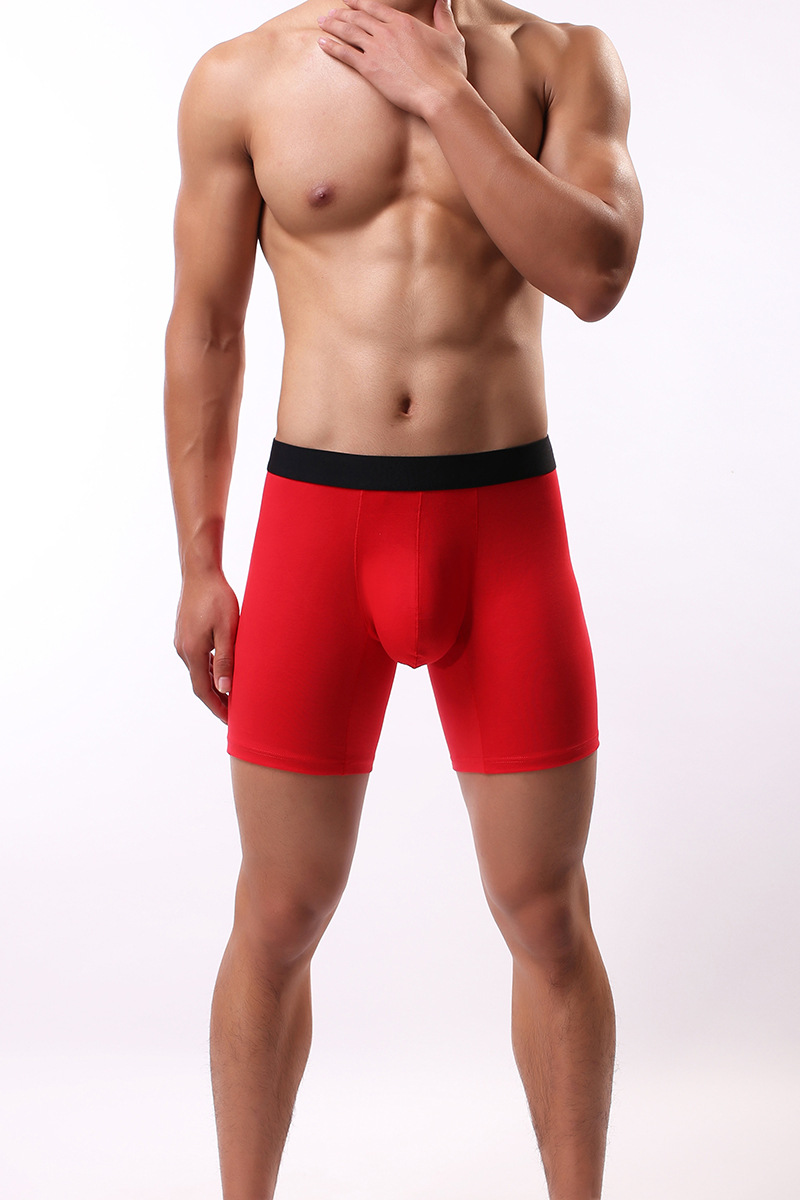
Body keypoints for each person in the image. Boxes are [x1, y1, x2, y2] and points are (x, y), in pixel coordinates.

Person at [164, 0, 643, 1194]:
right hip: (317, 532)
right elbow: (208, 329)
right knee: (279, 913)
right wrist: (200, 561)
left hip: (502, 527)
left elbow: (593, 274)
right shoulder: (241, 77)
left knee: (545, 914)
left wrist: (442, 91)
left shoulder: (560, 60)